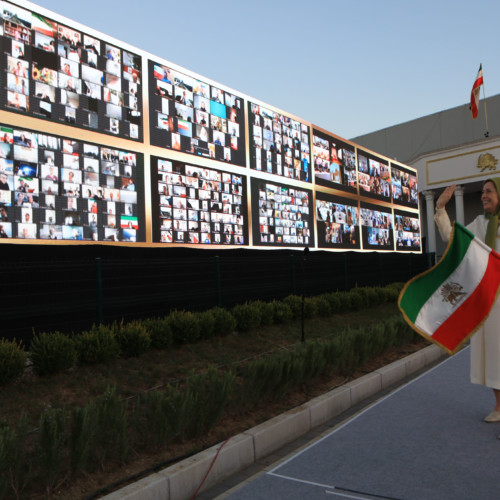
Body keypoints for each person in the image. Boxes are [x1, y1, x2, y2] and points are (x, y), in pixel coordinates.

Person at [435, 180, 500, 425]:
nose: (484, 195)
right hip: (489, 303)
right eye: (482, 191)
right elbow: (452, 238)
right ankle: (499, 405)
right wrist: (441, 208)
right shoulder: (481, 225)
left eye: (489, 191)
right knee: (494, 355)